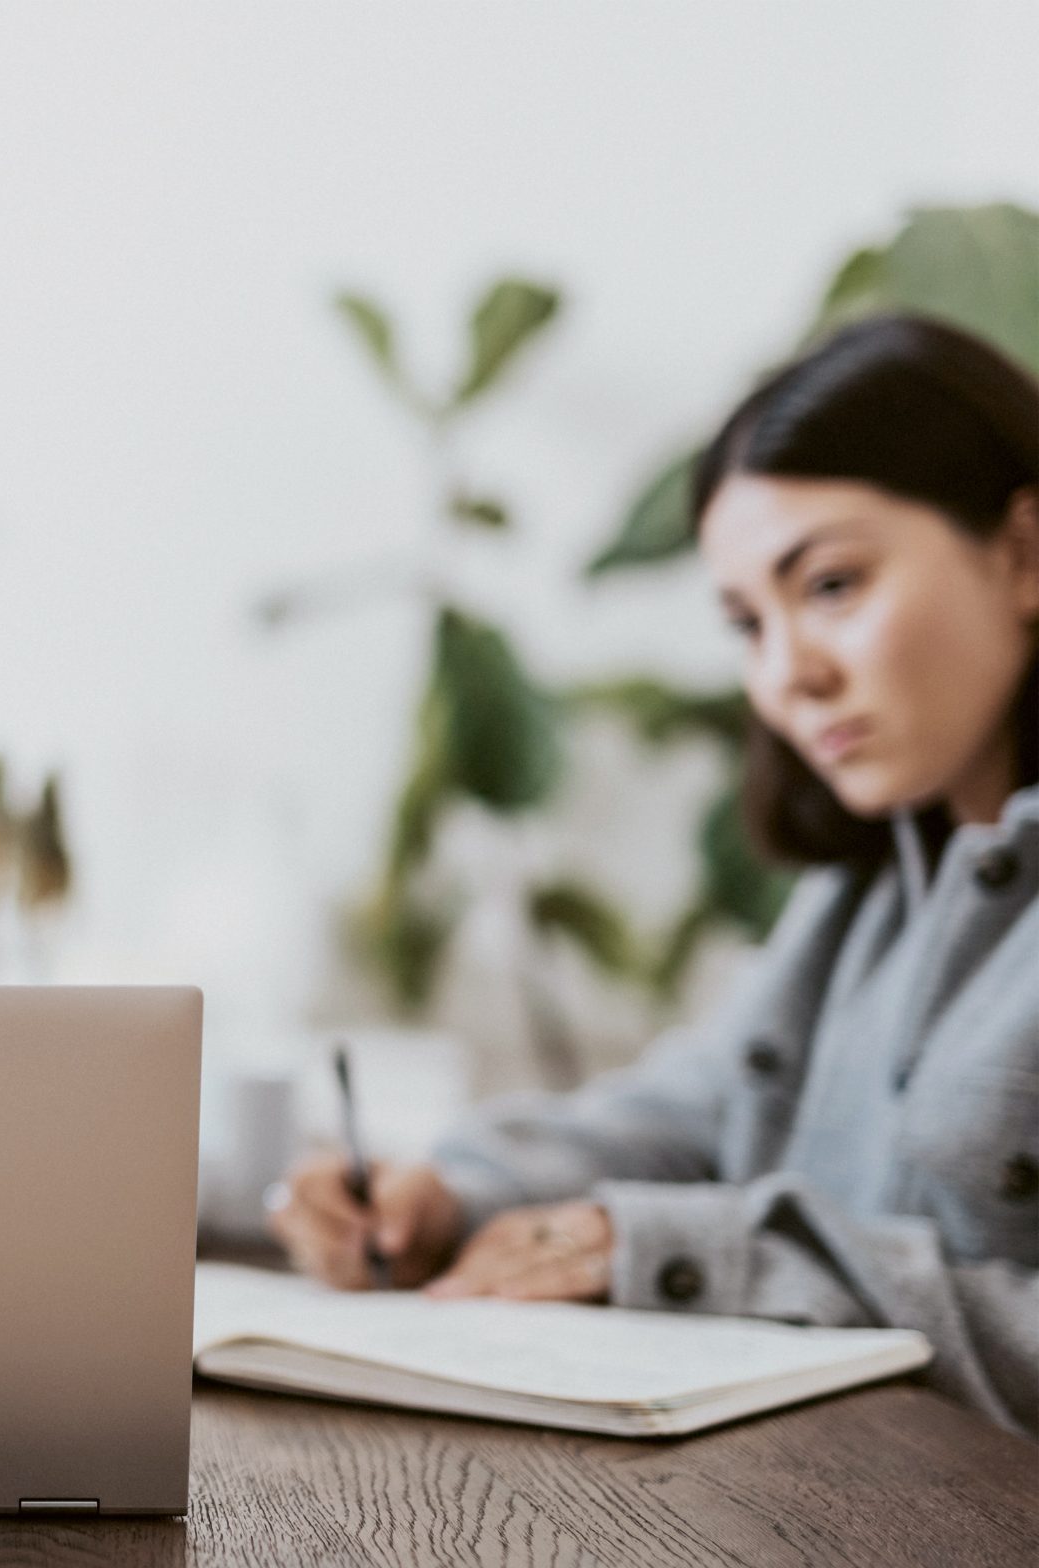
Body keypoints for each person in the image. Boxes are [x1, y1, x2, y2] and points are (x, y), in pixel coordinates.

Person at [269, 315, 1039, 1437]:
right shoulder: (873, 882)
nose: (787, 675)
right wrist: (453, 1188)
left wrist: (690, 1253)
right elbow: (703, 1108)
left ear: (1023, 555)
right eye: (745, 622)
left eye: (829, 585)